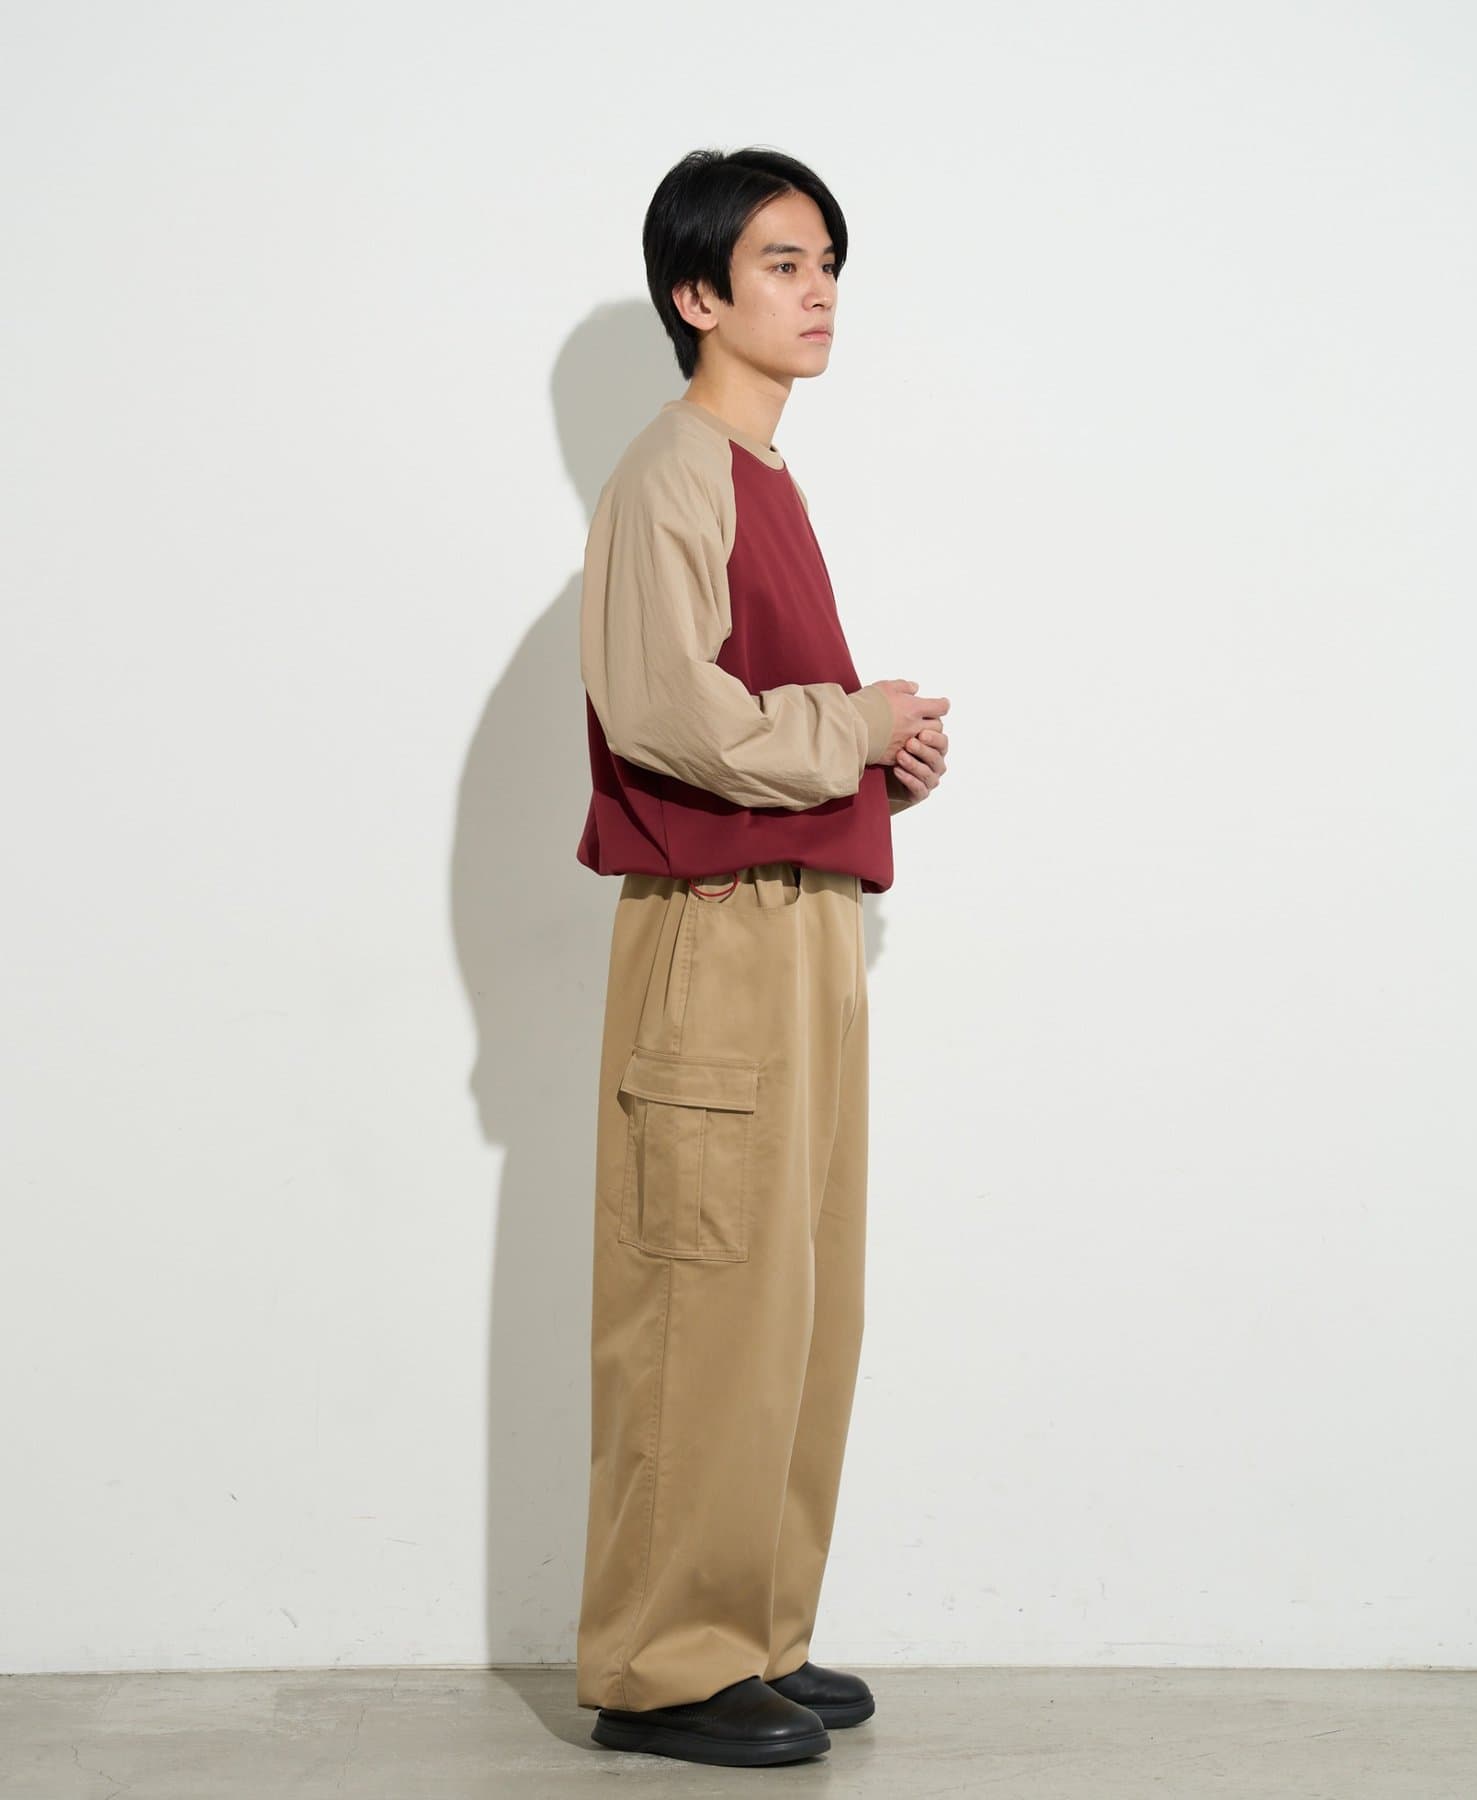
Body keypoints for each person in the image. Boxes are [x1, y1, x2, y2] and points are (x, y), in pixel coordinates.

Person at [572, 144, 949, 1768]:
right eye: (783, 264)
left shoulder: (762, 478)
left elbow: (753, 724)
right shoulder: (672, 473)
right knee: (703, 1295)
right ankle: (660, 1669)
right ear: (697, 294)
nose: (820, 293)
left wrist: (880, 765)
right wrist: (850, 724)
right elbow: (673, 717)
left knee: (799, 1295)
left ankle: (753, 1634)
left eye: (828, 263)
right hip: (717, 939)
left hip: (799, 928)